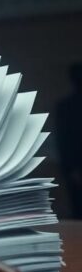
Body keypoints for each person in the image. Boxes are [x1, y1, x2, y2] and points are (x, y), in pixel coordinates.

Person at [56, 63, 82, 219]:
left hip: (73, 165)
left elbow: (63, 141)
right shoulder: (65, 107)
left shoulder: (64, 107)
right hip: (74, 165)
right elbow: (64, 140)